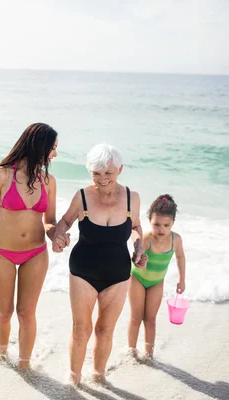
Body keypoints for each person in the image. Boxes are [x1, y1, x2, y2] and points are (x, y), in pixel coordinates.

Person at [53, 143, 147, 385]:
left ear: (120, 170)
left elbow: (136, 227)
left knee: (105, 330)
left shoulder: (131, 198)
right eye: (96, 173)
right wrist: (59, 235)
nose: (102, 179)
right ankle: (73, 380)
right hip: (83, 271)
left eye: (108, 173)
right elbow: (64, 221)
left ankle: (99, 377)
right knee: (81, 329)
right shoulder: (82, 196)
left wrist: (139, 247)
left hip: (118, 274)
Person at [0, 123, 61, 369]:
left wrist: (56, 236)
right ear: (39, 146)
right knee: (4, 312)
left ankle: (25, 366)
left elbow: (49, 221)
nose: (54, 154)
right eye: (52, 148)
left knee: (26, 313)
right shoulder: (2, 175)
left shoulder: (48, 181)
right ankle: (2, 359)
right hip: (2, 253)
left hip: (36, 253)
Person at [128, 194, 186, 359]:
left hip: (156, 283)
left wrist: (182, 279)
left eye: (166, 225)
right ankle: (131, 351)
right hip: (137, 280)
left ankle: (149, 353)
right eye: (156, 224)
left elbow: (181, 257)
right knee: (136, 317)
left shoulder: (176, 240)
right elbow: (136, 256)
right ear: (149, 220)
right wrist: (139, 259)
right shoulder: (146, 239)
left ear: (173, 222)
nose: (161, 229)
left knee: (150, 319)